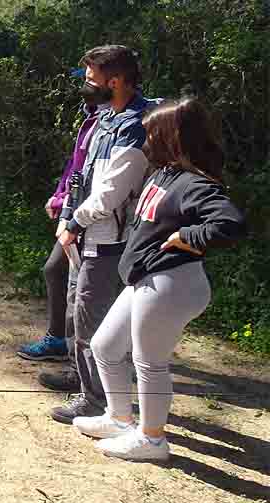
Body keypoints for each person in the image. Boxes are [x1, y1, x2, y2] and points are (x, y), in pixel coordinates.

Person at [71, 98, 245, 461]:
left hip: (170, 284)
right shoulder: (163, 174)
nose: (146, 141)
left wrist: (187, 238)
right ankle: (119, 419)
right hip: (144, 281)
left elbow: (229, 224)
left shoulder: (195, 183)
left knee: (149, 362)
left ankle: (152, 440)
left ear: (173, 137)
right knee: (105, 346)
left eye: (152, 134)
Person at [50, 45, 155, 425]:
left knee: (92, 319)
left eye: (91, 79)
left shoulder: (134, 126)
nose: (85, 85)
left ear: (115, 81)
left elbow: (110, 192)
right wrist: (67, 214)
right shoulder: (105, 118)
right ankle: (85, 382)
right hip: (84, 234)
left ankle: (98, 400)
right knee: (76, 312)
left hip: (108, 240)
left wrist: (75, 222)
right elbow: (82, 175)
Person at [18, 100, 101, 393]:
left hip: (98, 221)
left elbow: (105, 182)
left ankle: (90, 368)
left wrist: (74, 214)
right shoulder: (90, 117)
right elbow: (76, 165)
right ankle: (60, 343)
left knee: (87, 296)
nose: (85, 87)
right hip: (76, 214)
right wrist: (62, 196)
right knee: (56, 272)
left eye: (91, 78)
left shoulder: (119, 121)